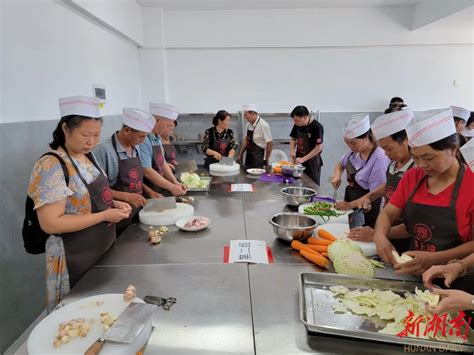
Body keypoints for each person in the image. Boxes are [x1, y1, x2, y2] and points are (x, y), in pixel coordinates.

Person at [28, 96, 131, 311]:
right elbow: (51, 224)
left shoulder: (89, 157)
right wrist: (104, 216)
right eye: (85, 135)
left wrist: (115, 205)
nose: (91, 142)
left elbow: (94, 198)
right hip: (73, 254)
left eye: (96, 135)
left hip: (100, 248)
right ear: (66, 129)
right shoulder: (51, 165)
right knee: (77, 312)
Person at [374, 108, 474, 276]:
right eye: (415, 158)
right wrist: (380, 236)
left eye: (428, 158)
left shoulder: (470, 184)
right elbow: (389, 212)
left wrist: (435, 258)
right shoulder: (412, 177)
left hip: (457, 276)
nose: (421, 165)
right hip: (414, 270)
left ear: (453, 149)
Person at [348, 110, 414, 253]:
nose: (385, 153)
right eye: (383, 148)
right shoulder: (393, 163)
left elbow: (415, 224)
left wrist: (377, 233)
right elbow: (389, 185)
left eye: (388, 148)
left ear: (405, 140)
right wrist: (368, 197)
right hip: (385, 229)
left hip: (404, 238)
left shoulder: (417, 170)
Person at [94, 108, 162, 235]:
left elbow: (134, 179)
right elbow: (97, 191)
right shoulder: (103, 151)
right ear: (127, 130)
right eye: (141, 137)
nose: (142, 141)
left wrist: (150, 191)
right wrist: (125, 196)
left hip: (135, 214)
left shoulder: (135, 147)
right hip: (116, 218)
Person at [331, 113, 390, 228]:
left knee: (363, 236)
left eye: (353, 143)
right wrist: (337, 175)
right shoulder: (354, 154)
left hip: (368, 207)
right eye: (347, 143)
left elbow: (375, 193)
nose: (350, 146)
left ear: (366, 137)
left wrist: (350, 205)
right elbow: (340, 164)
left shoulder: (379, 157)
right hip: (353, 202)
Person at [139, 103, 187, 196]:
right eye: (168, 126)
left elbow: (162, 162)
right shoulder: (143, 139)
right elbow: (147, 171)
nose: (169, 130)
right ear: (156, 120)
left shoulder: (157, 138)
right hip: (148, 189)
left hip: (160, 185)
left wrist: (174, 182)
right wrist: (171, 187)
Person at [289, 105, 324, 185]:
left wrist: (304, 159)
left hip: (312, 162)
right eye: (294, 120)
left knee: (311, 185)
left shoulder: (317, 127)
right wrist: (292, 151)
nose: (295, 123)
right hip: (299, 160)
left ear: (305, 117)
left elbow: (318, 147)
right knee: (297, 183)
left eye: (297, 120)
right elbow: (293, 138)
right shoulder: (297, 125)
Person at [237, 104, 273, 168]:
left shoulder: (263, 125)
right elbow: (246, 140)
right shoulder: (248, 124)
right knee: (247, 175)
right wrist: (240, 154)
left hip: (259, 157)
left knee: (257, 177)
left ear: (253, 113)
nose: (245, 117)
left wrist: (267, 158)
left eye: (246, 115)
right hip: (249, 156)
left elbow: (269, 143)